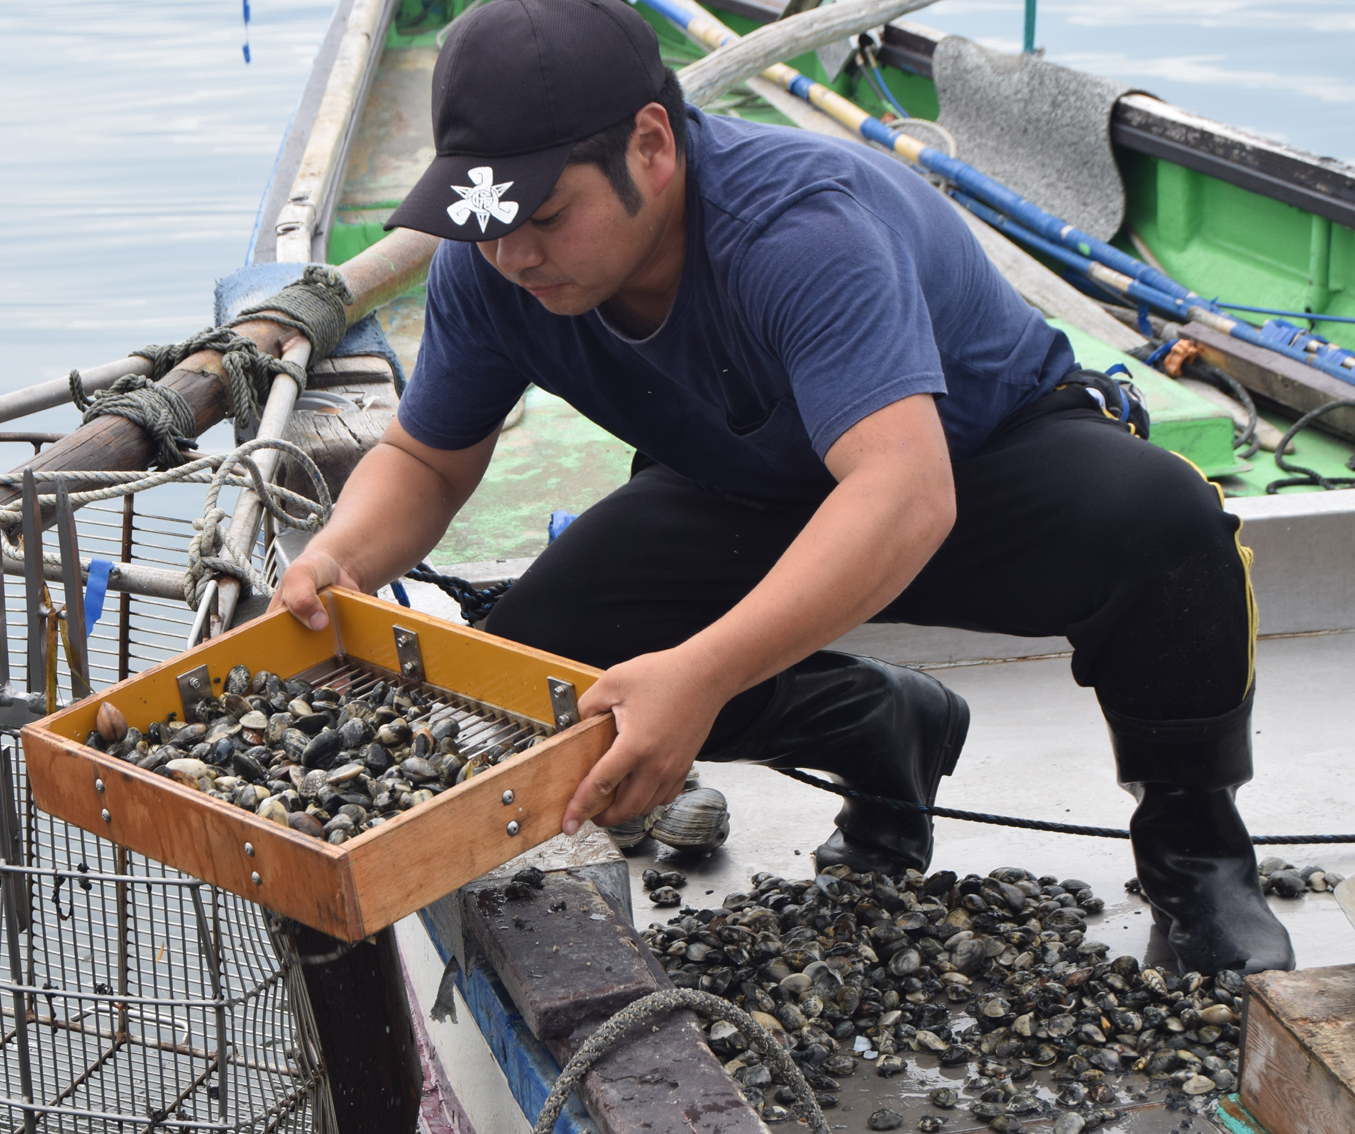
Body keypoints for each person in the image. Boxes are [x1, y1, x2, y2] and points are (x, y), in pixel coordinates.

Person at [269, 0, 1292, 975]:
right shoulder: (487, 265)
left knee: (1162, 518)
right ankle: (873, 723)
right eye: (483, 222)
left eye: (544, 215)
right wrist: (338, 555)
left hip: (973, 468)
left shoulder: (798, 227)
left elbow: (902, 494)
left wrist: (702, 673)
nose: (513, 254)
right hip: (743, 483)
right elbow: (429, 458)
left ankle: (1193, 856)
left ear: (651, 146)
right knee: (540, 679)